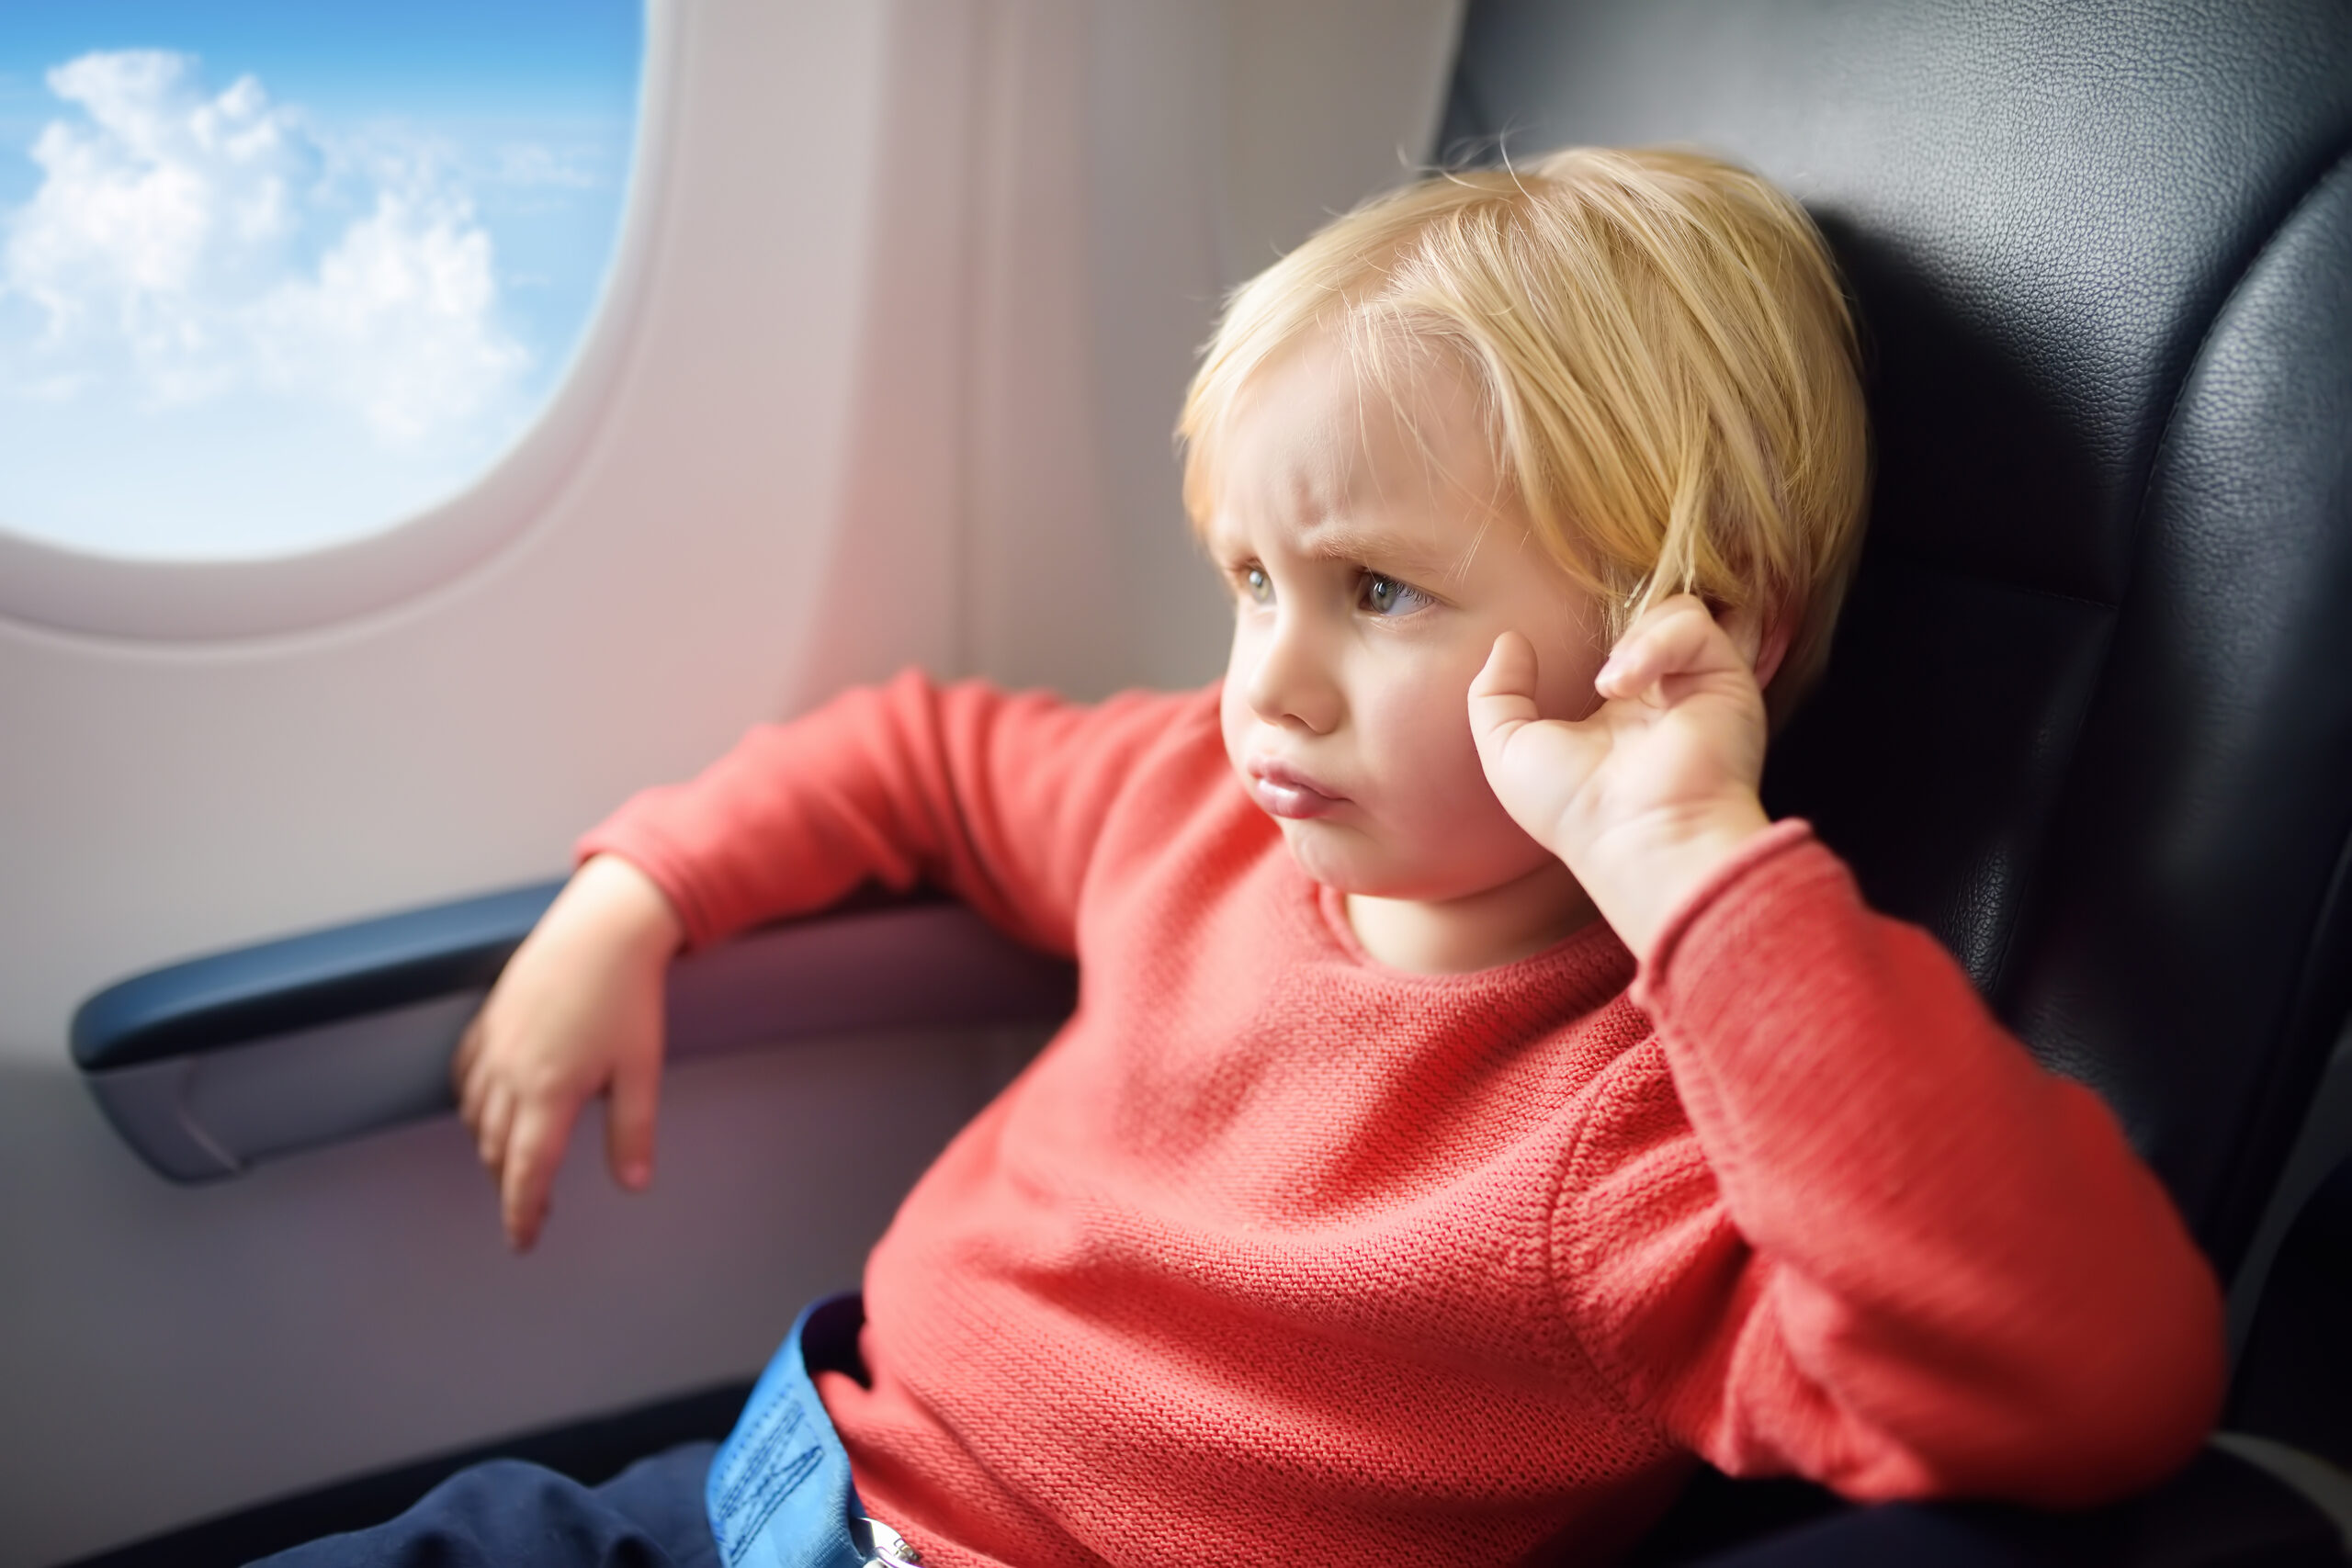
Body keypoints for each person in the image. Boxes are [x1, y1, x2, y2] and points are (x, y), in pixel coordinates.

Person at [268, 147, 2224, 1568]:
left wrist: (1701, 869)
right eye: (1247, 583)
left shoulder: (1641, 1132)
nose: (1260, 683)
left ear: (1683, 633)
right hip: (755, 1488)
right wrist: (642, 893)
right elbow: (918, 756)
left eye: (1375, 588)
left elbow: (2087, 1375)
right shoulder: (1193, 805)